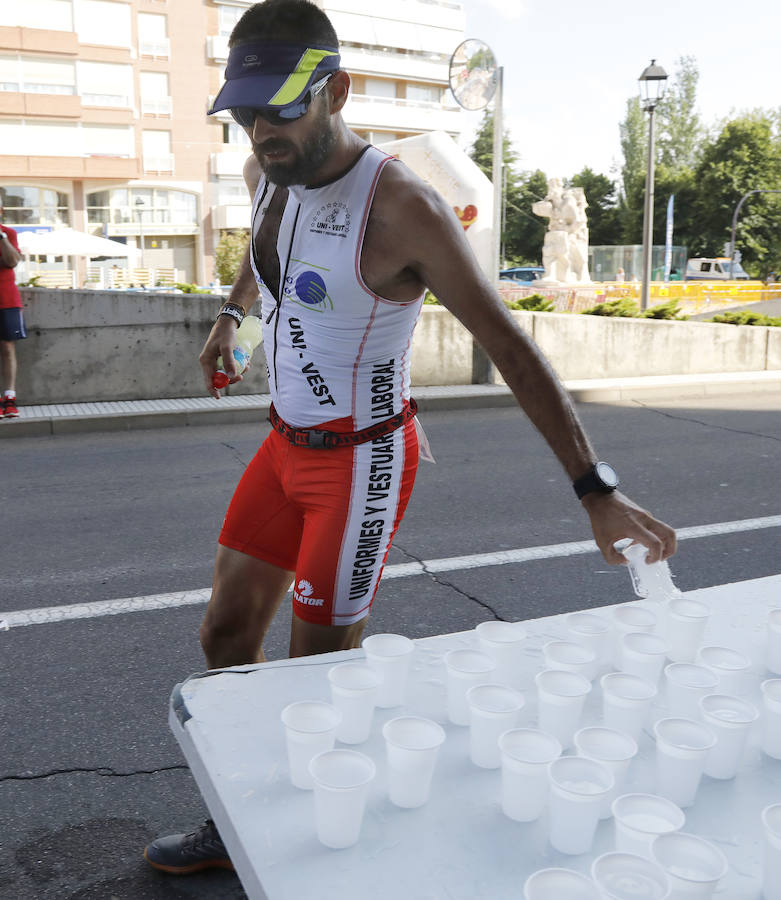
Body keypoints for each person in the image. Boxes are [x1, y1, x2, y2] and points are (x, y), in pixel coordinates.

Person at [144, 0, 676, 875]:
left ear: (336, 91)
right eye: (243, 113)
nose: (259, 132)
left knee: (317, 679)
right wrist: (230, 314)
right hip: (283, 447)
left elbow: (508, 345)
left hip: (360, 464)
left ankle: (309, 848)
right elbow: (263, 245)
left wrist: (596, 488)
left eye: (278, 110)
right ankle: (238, 816)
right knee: (223, 637)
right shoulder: (267, 171)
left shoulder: (401, 208)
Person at [0, 204, 24, 419]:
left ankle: (9, 397)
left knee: (7, 348)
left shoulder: (8, 233)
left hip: (6, 299)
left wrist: (1, 237)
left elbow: (12, 261)